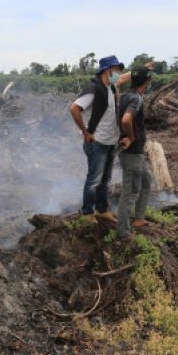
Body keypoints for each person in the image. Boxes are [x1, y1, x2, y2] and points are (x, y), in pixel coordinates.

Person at [69, 55, 124, 223]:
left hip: (109, 142)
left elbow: (125, 78)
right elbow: (74, 109)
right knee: (94, 180)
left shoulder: (110, 87)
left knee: (105, 179)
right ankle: (87, 213)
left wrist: (144, 67)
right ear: (108, 70)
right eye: (116, 70)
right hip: (97, 142)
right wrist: (86, 132)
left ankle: (102, 210)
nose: (118, 74)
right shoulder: (94, 88)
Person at [116, 66, 153, 238]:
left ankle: (138, 218)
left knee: (146, 180)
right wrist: (131, 137)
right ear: (147, 81)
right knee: (131, 191)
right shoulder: (136, 99)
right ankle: (123, 231)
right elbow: (126, 120)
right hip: (131, 153)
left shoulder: (125, 95)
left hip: (135, 153)